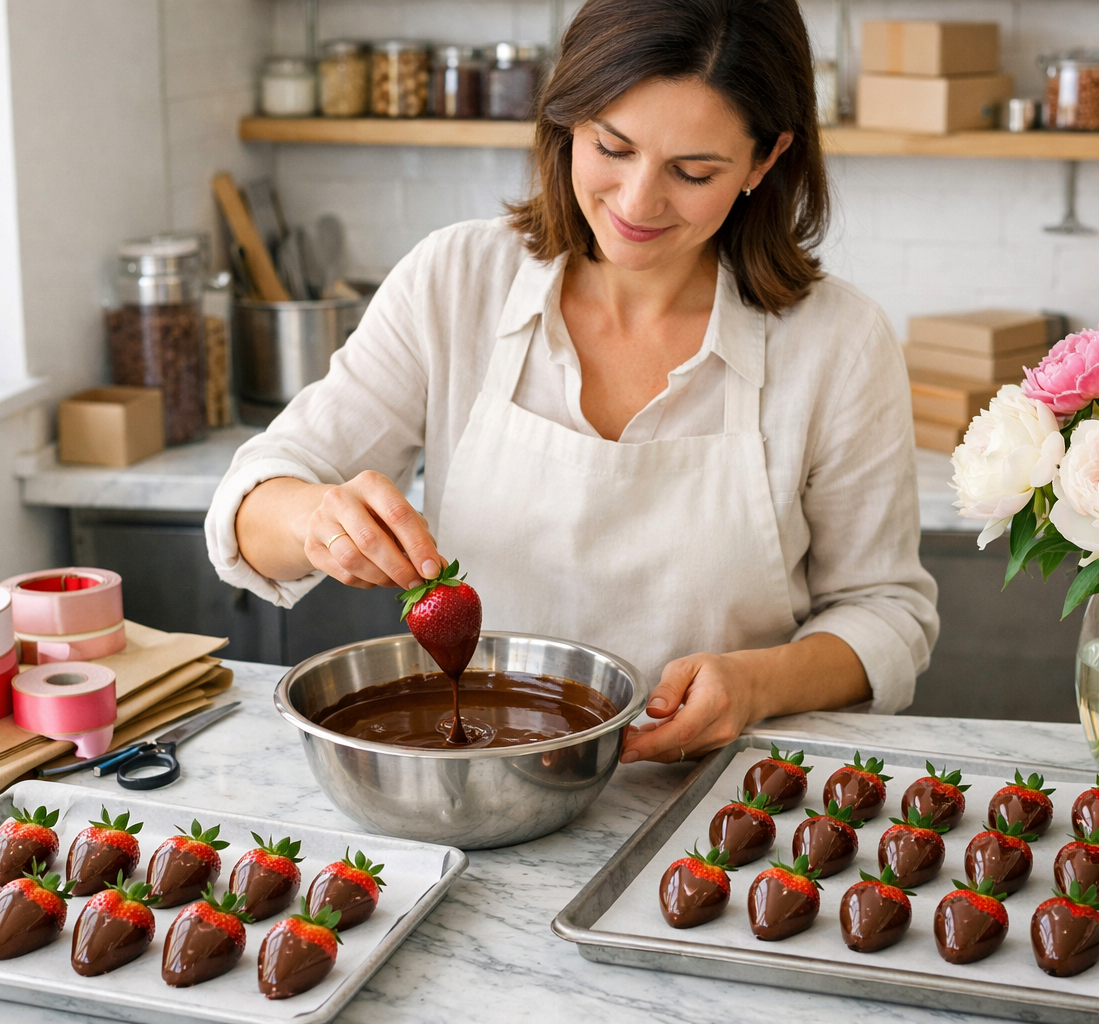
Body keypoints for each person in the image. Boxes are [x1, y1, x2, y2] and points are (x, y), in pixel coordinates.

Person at [206, 0, 938, 764]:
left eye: (693, 171)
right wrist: (317, 521)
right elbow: (250, 505)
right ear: (566, 119)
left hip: (722, 800)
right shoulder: (457, 282)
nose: (636, 202)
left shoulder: (838, 343)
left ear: (765, 159)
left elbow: (888, 615)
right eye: (611, 148)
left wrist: (761, 683)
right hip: (477, 783)